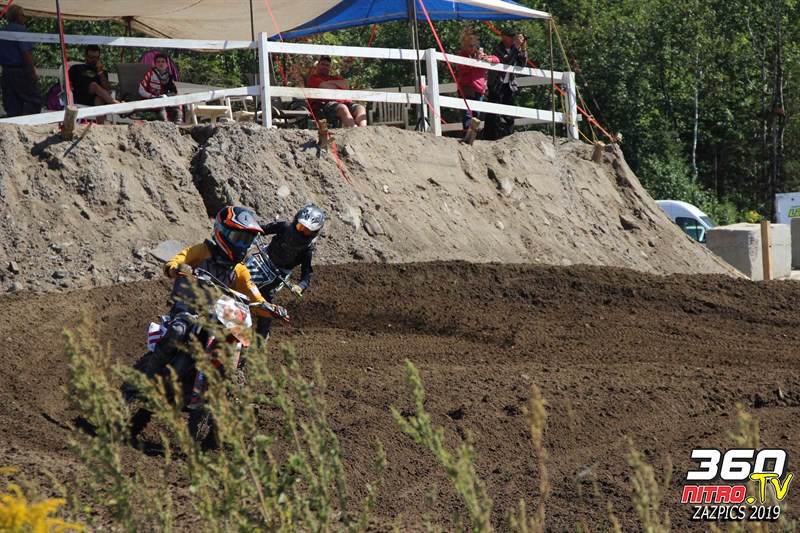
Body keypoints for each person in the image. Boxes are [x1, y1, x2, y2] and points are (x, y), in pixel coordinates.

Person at [122, 206, 288, 401]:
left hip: (220, 316)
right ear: (221, 233)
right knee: (178, 331)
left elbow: (255, 297)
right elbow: (179, 259)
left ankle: (228, 394)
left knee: (238, 344)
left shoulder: (240, 270)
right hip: (190, 307)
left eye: (247, 240)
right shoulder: (203, 251)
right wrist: (176, 267)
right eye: (238, 238)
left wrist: (271, 309)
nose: (242, 245)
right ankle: (144, 380)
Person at [245, 204, 325, 340]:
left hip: (278, 274)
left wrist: (299, 287)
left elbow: (307, 274)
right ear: (295, 221)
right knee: (240, 267)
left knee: (267, 299)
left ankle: (262, 336)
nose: (301, 232)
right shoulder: (285, 227)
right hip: (264, 256)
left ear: (314, 232)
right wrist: (251, 231)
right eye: (300, 227)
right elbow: (263, 229)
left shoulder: (307, 250)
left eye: (306, 231)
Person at [484, 27, 528, 141]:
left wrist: (523, 49)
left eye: (514, 36)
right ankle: (488, 138)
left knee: (509, 114)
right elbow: (507, 62)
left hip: (508, 85)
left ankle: (508, 137)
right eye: (511, 36)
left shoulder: (514, 48)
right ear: (504, 37)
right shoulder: (497, 49)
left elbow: (522, 64)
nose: (513, 38)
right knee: (493, 114)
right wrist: (517, 47)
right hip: (496, 85)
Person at [0, 5, 42, 117]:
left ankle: (14, 123)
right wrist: (32, 72)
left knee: (12, 102)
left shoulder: (2, 31)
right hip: (21, 71)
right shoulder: (21, 31)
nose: (24, 18)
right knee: (34, 99)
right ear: (19, 16)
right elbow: (25, 52)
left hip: (6, 71)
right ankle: (28, 121)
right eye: (23, 15)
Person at [306, 55, 366, 127]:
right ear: (317, 65)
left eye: (327, 65)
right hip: (323, 106)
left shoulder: (334, 77)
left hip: (344, 102)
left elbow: (346, 85)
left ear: (329, 67)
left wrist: (330, 82)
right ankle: (355, 129)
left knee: (360, 108)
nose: (324, 67)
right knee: (342, 108)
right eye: (322, 64)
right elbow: (327, 87)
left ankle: (363, 130)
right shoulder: (313, 78)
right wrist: (337, 85)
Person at [455, 33, 498, 133]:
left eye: (473, 45)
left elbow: (497, 59)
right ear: (464, 46)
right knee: (467, 114)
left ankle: (473, 135)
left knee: (476, 115)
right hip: (466, 88)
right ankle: (467, 134)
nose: (472, 48)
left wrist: (488, 59)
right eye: (469, 46)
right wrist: (474, 62)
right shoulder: (461, 56)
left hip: (478, 89)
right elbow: (462, 69)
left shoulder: (480, 55)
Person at [68, 44, 119, 124]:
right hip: (81, 96)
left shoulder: (102, 72)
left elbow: (108, 90)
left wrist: (100, 72)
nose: (94, 60)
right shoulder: (76, 68)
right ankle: (115, 104)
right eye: (91, 57)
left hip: (95, 99)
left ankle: (100, 127)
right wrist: (69, 86)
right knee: (93, 85)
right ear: (85, 56)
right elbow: (67, 82)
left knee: (99, 99)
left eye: (96, 58)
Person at [138, 52, 182, 123]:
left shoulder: (169, 76)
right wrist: (152, 96)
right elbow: (141, 90)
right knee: (161, 107)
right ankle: (164, 123)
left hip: (164, 99)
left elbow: (174, 91)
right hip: (150, 99)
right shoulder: (150, 74)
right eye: (158, 62)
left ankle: (177, 124)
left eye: (163, 62)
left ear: (167, 64)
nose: (160, 64)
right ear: (155, 64)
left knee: (177, 103)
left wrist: (167, 96)